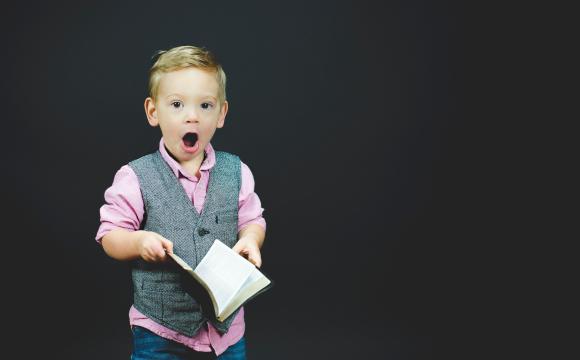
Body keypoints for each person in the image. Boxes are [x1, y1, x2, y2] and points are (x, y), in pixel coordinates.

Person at [96, 45, 266, 359]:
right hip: (160, 329)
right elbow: (110, 236)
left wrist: (251, 240)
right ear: (153, 112)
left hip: (226, 332)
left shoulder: (237, 172)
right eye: (177, 104)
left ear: (221, 114)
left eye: (205, 105)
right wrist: (138, 240)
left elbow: (252, 220)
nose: (192, 116)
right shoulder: (135, 176)